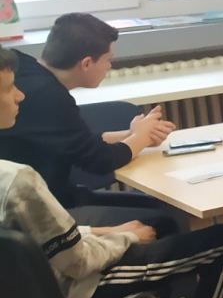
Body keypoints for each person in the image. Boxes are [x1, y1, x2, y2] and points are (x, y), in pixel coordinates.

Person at [0, 46, 223, 298]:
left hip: (19, 297)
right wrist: (126, 236)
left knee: (160, 227)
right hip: (69, 291)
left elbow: (42, 239)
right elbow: (77, 261)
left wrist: (106, 231)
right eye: (9, 89)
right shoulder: (19, 180)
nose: (21, 95)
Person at [0, 13, 183, 235]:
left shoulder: (22, 64)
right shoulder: (49, 96)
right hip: (47, 212)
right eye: (107, 59)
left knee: (162, 207)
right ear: (86, 63)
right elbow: (99, 160)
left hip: (59, 195)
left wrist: (132, 134)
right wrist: (140, 138)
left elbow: (77, 141)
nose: (109, 66)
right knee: (163, 221)